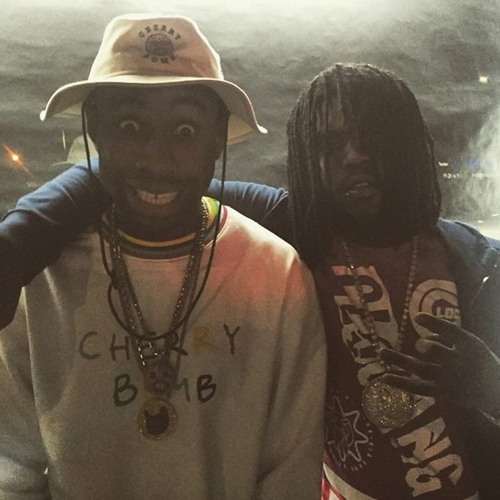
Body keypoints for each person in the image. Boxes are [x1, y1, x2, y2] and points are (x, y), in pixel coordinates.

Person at [1, 59, 499, 498]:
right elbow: (144, 176)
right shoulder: (297, 227)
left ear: (410, 142)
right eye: (330, 144)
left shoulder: (481, 264)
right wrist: (17, 242)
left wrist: (492, 386)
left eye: (375, 139)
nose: (353, 156)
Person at [0, 13, 327, 498]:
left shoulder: (278, 274)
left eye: (185, 130)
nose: (156, 158)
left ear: (217, 139)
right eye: (129, 126)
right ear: (95, 131)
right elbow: (12, 466)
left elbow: (291, 471)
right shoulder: (38, 276)